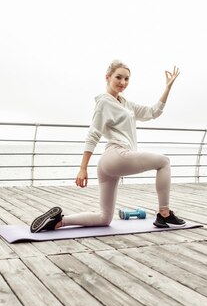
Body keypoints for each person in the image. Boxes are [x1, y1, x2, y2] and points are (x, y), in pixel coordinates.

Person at [30, 60, 186, 233]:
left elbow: (153, 112)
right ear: (107, 77)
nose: (123, 82)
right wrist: (82, 168)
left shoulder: (126, 103)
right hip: (117, 155)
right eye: (118, 77)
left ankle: (59, 221)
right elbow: (93, 134)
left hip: (109, 164)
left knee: (104, 218)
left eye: (127, 79)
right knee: (163, 162)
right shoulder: (104, 102)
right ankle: (164, 213)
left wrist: (167, 88)